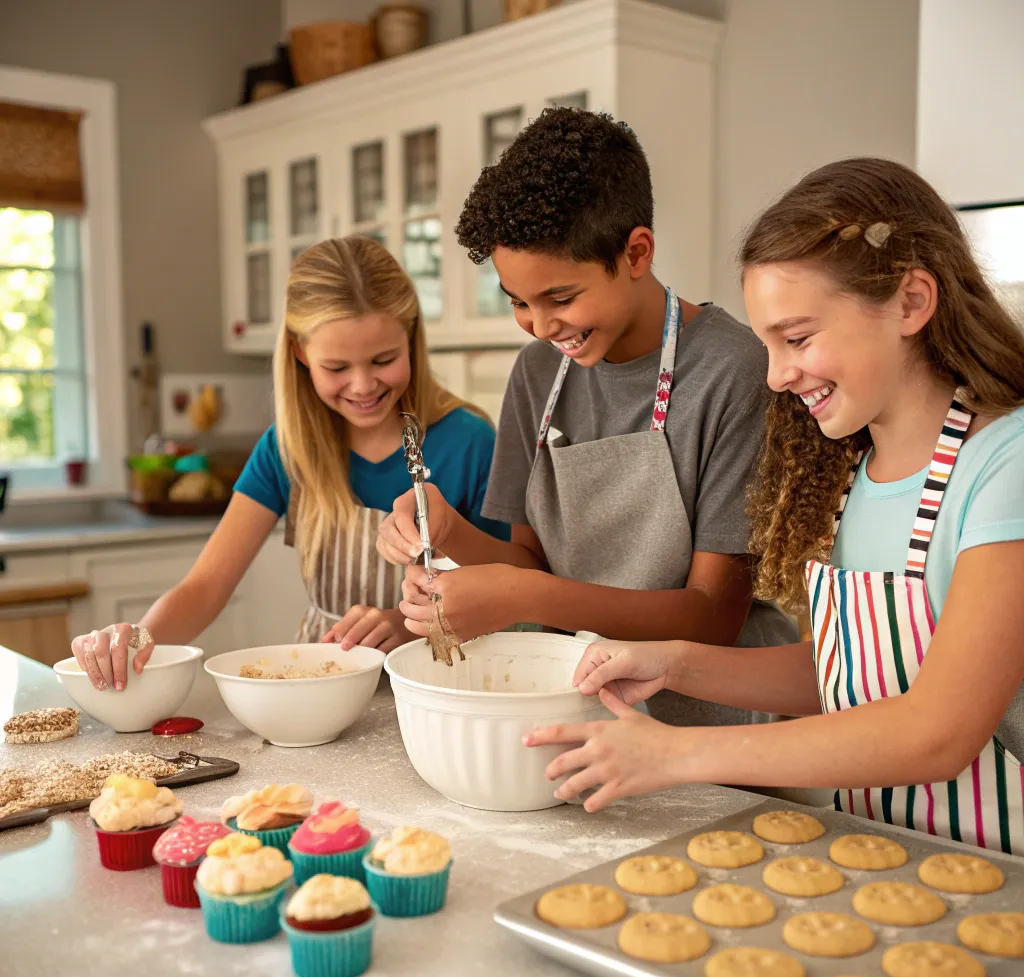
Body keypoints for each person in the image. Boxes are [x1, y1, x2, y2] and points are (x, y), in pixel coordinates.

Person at [525, 158, 1024, 857]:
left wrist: (676, 756)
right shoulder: (856, 469)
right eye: (768, 345)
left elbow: (936, 731)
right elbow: (847, 675)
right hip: (888, 858)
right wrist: (674, 664)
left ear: (912, 302)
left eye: (797, 338)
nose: (776, 376)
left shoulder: (1007, 464)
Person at [378, 107, 795, 728]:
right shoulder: (537, 374)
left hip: (715, 718)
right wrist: (450, 531)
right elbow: (531, 562)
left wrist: (529, 597)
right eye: (519, 301)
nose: (543, 327)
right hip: (577, 703)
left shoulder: (734, 371)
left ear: (636, 252)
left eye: (562, 298)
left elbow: (713, 615)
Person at [71, 236, 507, 690]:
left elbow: (508, 584)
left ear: (411, 338)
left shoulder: (469, 441)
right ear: (301, 355)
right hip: (319, 691)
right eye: (337, 367)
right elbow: (205, 588)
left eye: (383, 359)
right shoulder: (288, 448)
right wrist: (138, 639)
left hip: (439, 688)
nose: (362, 385)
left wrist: (408, 623)